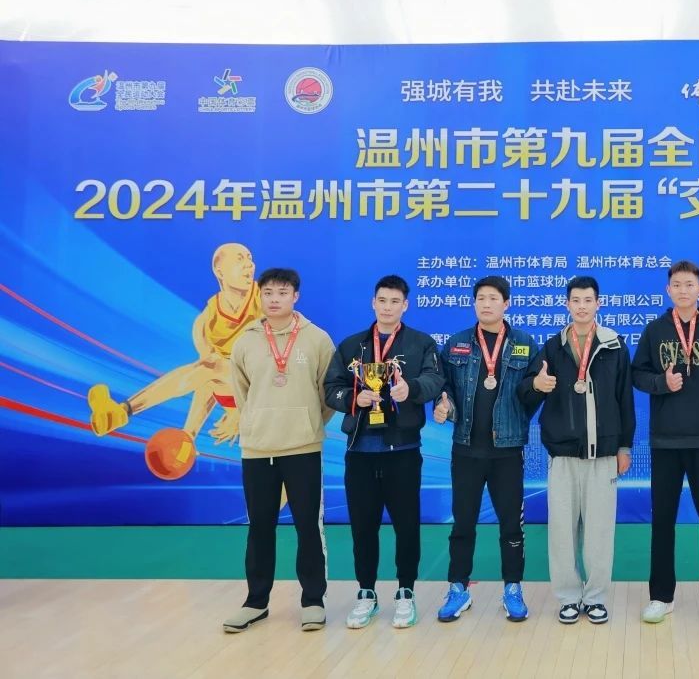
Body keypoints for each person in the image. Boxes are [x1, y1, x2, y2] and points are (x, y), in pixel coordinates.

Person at [323, 274, 444, 630]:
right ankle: (366, 592)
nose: (387, 307)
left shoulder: (421, 343)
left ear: (405, 305)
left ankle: (406, 591)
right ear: (373, 303)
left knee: (407, 525)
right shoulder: (352, 345)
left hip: (402, 450)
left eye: (395, 302)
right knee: (363, 526)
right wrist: (353, 398)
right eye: (382, 300)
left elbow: (435, 380)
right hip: (360, 450)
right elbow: (330, 387)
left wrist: (412, 389)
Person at [221, 268, 335, 634]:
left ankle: (313, 600)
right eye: (268, 292)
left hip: (303, 447)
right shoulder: (246, 341)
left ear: (295, 296)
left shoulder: (317, 339)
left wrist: (307, 423)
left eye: (282, 292)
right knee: (259, 527)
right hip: (257, 448)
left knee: (308, 527)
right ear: (260, 296)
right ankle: (256, 602)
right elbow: (242, 394)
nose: (274, 299)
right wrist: (257, 422)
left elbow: (328, 393)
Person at [632, 260, 699, 626]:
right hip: (666, 441)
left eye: (689, 284)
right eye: (676, 284)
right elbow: (637, 374)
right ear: (668, 290)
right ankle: (661, 596)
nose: (683, 290)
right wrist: (661, 383)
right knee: (662, 522)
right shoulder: (655, 329)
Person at [524, 275, 634, 625]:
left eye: (588, 300)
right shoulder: (553, 347)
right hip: (563, 455)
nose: (582, 306)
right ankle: (569, 597)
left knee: (600, 532)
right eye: (576, 300)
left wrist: (624, 446)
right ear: (567, 304)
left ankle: (596, 597)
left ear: (598, 304)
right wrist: (537, 384)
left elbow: (625, 400)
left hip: (604, 455)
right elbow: (527, 390)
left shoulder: (615, 346)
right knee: (562, 532)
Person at [433, 276, 538, 623]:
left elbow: (530, 394)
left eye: (493, 298)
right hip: (466, 450)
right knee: (462, 524)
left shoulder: (524, 343)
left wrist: (536, 389)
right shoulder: (457, 343)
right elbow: (444, 387)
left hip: (507, 451)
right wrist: (443, 404)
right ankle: (458, 588)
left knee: (512, 527)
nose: (486, 303)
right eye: (481, 298)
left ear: (506, 304)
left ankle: (513, 588)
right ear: (474, 303)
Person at [88, 242, 259, 447]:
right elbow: (206, 380)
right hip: (236, 397)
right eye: (240, 259)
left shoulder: (269, 303)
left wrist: (242, 411)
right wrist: (189, 435)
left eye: (250, 258)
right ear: (219, 271)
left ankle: (123, 410)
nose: (249, 264)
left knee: (217, 365)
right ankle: (119, 412)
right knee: (210, 366)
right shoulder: (205, 323)